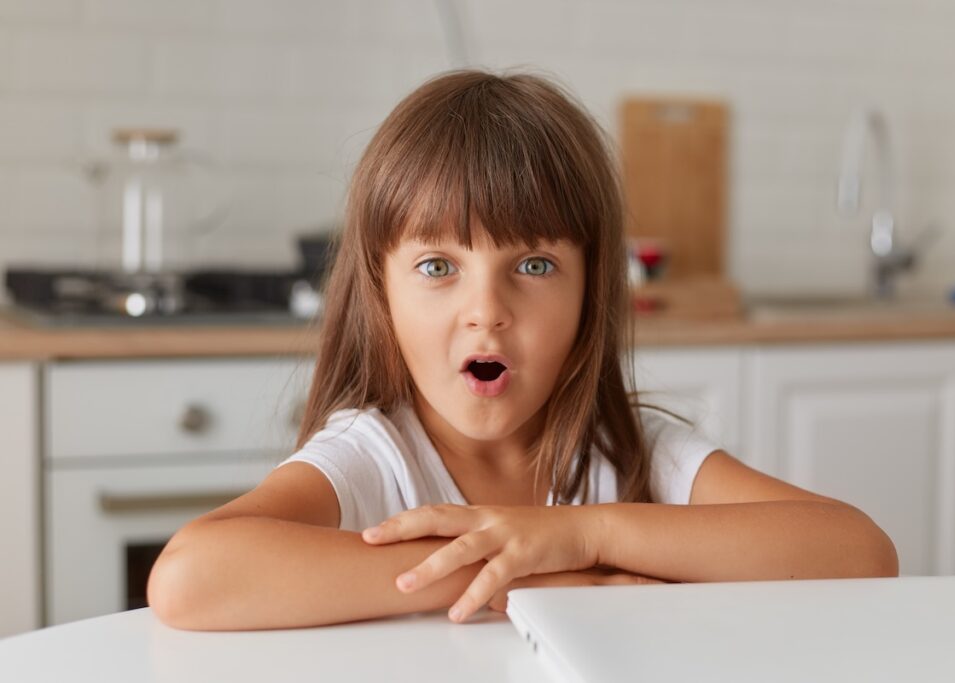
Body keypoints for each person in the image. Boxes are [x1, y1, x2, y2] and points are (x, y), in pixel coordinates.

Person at [147, 69, 898, 631]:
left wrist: (579, 535)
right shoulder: (375, 454)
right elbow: (188, 577)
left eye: (534, 266)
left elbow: (859, 553)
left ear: (589, 291)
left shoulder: (630, 451)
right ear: (380, 291)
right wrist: (511, 572)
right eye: (438, 268)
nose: (486, 313)